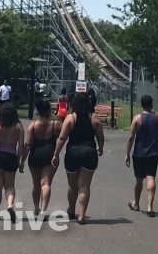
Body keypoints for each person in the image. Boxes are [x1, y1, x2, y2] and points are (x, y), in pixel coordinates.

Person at [52, 92, 105, 224]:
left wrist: (56, 153)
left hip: (73, 152)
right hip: (89, 151)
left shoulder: (71, 118)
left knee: (72, 184)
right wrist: (101, 148)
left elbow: (62, 138)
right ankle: (81, 215)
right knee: (84, 186)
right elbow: (100, 137)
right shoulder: (94, 118)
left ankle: (71, 210)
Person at [125, 94, 158, 216]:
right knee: (151, 176)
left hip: (139, 153)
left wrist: (127, 153)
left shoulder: (137, 118)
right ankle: (150, 206)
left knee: (139, 179)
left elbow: (131, 137)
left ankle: (136, 203)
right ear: (152, 104)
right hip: (153, 152)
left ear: (142, 105)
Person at [20, 98, 58, 219]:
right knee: (46, 184)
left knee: (36, 184)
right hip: (49, 155)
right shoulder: (55, 125)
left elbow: (28, 144)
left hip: (35, 156)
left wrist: (22, 161)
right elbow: (62, 138)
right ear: (47, 111)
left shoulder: (33, 125)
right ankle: (43, 211)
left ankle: (36, 208)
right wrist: (57, 153)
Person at [0, 103, 24, 221]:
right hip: (11, 156)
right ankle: (10, 205)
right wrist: (18, 159)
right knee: (9, 186)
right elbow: (21, 145)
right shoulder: (19, 126)